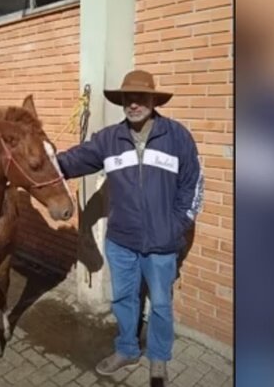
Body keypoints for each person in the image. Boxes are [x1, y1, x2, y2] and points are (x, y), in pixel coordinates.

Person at [56, 70, 204, 382]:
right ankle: (126, 349)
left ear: (153, 100)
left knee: (161, 303)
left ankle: (159, 357)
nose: (134, 104)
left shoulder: (177, 136)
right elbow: (74, 160)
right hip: (121, 241)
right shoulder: (109, 139)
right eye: (128, 98)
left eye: (140, 97)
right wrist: (43, 162)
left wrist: (176, 225)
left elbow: (194, 185)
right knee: (123, 298)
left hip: (162, 243)